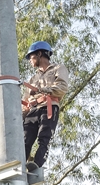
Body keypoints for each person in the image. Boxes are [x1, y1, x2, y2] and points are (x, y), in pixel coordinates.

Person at [22, 41, 69, 169]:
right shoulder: (33, 78)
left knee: (44, 137)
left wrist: (42, 90)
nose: (30, 61)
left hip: (49, 107)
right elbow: (26, 102)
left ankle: (36, 164)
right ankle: (20, 163)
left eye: (31, 57)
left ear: (39, 53)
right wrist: (21, 116)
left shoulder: (58, 69)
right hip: (33, 110)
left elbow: (62, 87)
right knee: (25, 139)